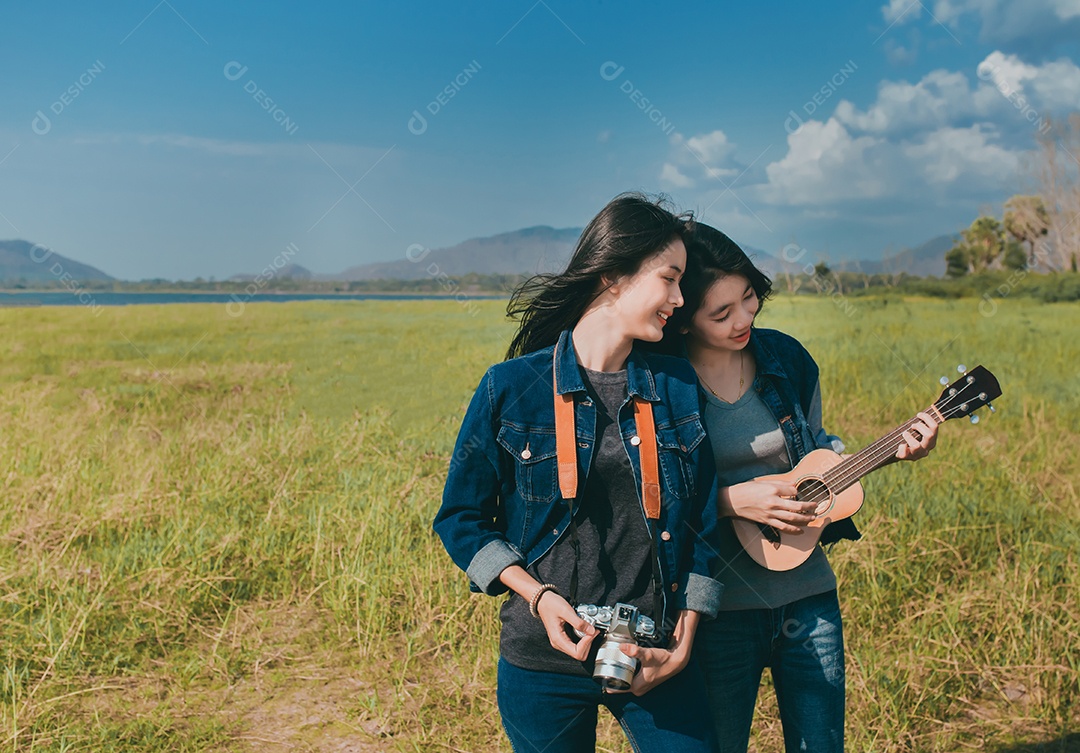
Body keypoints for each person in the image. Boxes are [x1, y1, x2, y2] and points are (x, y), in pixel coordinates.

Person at [433, 194, 723, 752]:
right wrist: (538, 598)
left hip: (653, 654)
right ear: (614, 276)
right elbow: (461, 519)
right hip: (540, 662)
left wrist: (683, 640)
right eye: (669, 278)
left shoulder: (678, 386)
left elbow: (704, 526)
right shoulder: (510, 388)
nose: (679, 299)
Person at [655, 223, 939, 753]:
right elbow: (651, 494)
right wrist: (732, 499)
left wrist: (886, 454)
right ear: (682, 317)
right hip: (714, 610)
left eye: (749, 298)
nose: (744, 319)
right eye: (721, 313)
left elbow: (814, 450)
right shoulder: (662, 382)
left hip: (808, 598)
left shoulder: (785, 359)